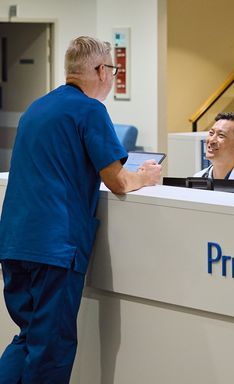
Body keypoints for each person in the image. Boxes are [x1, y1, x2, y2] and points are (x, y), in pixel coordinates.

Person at [0, 36, 163, 383]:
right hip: (55, 249)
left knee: (28, 338)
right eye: (113, 71)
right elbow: (118, 181)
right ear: (102, 70)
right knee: (52, 349)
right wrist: (146, 177)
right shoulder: (90, 110)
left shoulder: (38, 107)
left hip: (15, 242)